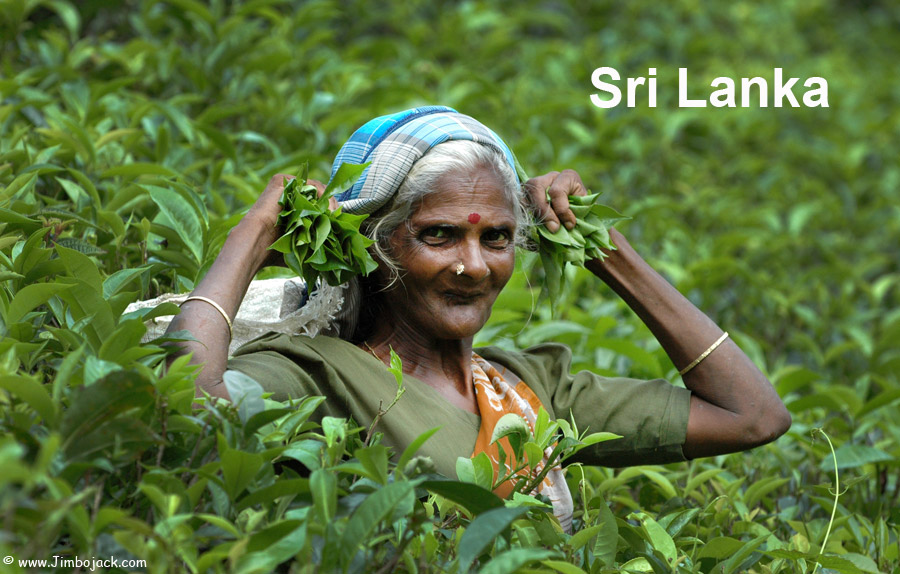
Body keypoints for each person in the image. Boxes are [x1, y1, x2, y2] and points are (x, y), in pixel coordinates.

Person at [165, 106, 791, 529]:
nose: (474, 267)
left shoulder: (531, 389)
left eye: (496, 238)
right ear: (374, 245)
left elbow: (752, 416)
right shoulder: (317, 376)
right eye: (439, 235)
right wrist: (253, 236)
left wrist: (602, 247)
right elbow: (190, 418)